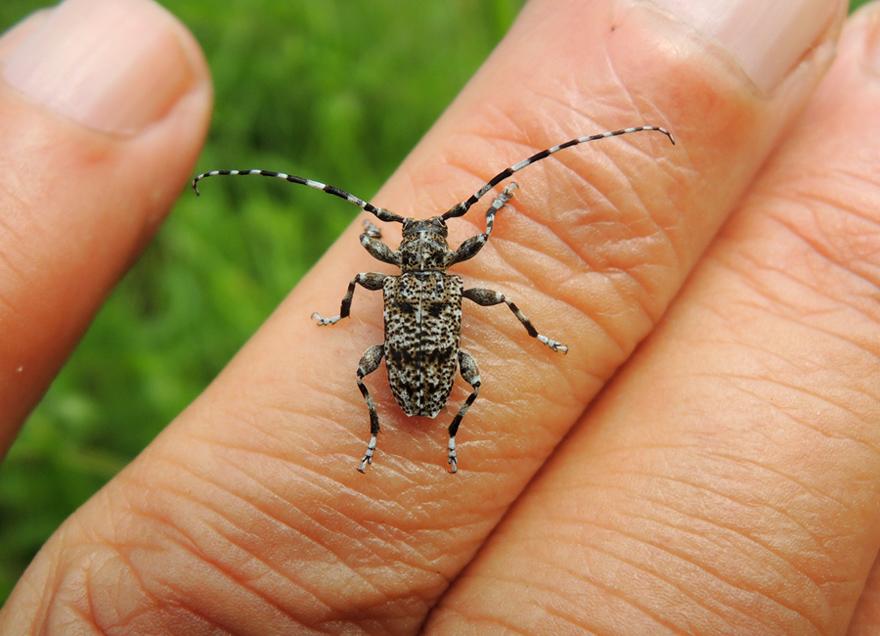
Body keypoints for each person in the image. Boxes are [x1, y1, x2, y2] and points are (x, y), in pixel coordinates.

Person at [1, 0, 878, 633]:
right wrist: (489, 224)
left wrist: (377, 295)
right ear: (429, 259)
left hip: (411, 376)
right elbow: (461, 260)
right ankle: (417, 435)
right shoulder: (447, 278)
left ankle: (404, 434)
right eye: (433, 236)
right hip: (428, 377)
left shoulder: (387, 274)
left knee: (402, 364)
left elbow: (367, 289)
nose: (421, 242)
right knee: (458, 363)